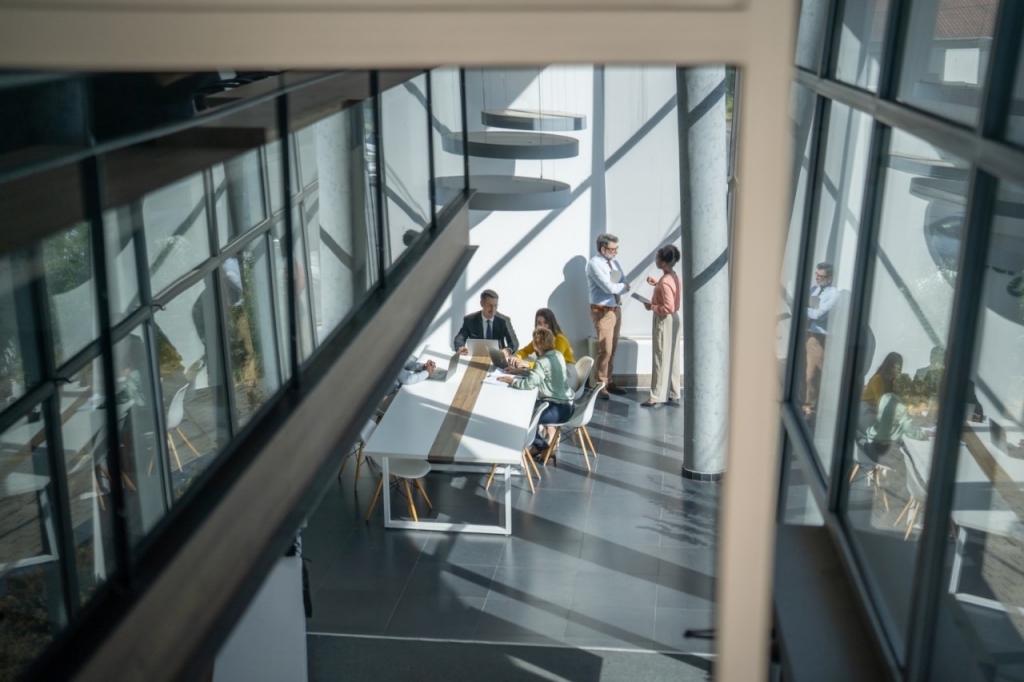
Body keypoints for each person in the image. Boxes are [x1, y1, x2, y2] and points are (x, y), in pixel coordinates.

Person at [498, 328, 575, 459]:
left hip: (557, 409)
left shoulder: (541, 361)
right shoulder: (557, 355)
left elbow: (530, 384)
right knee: (526, 411)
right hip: (568, 406)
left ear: (537, 345)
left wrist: (512, 381)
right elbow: (543, 374)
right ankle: (538, 447)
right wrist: (520, 372)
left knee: (523, 418)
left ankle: (543, 447)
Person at [586, 233, 630, 399]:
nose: (616, 252)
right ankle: (600, 384)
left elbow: (623, 282)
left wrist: (620, 286)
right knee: (605, 349)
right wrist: (622, 286)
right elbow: (609, 288)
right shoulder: (594, 264)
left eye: (616, 248)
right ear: (602, 249)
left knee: (613, 348)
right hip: (603, 311)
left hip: (615, 308)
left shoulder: (614, 263)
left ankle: (608, 380)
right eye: (613, 249)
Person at [641, 245, 682, 408]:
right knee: (672, 356)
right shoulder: (673, 277)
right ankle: (673, 392)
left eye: (658, 258)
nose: (656, 260)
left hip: (664, 319)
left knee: (660, 356)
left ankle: (656, 396)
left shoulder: (665, 282)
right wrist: (656, 285)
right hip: (674, 319)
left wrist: (651, 306)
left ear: (664, 262)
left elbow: (668, 307)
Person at [803, 262, 838, 423]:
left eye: (821, 276)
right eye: (816, 275)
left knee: (815, 375)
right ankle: (809, 407)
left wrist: (807, 310)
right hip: (810, 336)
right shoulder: (814, 290)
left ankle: (814, 409)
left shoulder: (834, 294)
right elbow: (812, 312)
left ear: (829, 278)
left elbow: (818, 315)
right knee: (810, 374)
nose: (817, 279)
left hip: (822, 338)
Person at [508, 308, 577, 386]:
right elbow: (526, 350)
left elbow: (551, 364)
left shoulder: (559, 339)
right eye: (539, 323)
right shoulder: (540, 338)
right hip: (552, 372)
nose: (542, 326)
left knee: (533, 384)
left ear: (551, 323)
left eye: (545, 322)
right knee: (529, 380)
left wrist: (527, 364)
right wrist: (517, 357)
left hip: (566, 374)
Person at [454, 289, 519, 356]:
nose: (493, 309)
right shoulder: (470, 320)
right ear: (482, 304)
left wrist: (508, 350)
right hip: (476, 356)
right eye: (490, 305)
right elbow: (459, 338)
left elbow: (514, 342)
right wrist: (461, 347)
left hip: (498, 357)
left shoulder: (504, 320)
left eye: (495, 305)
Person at [859, 352, 903, 432]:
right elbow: (882, 405)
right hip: (867, 412)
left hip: (873, 412)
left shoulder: (889, 382)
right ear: (891, 367)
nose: (899, 372)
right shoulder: (878, 379)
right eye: (898, 368)